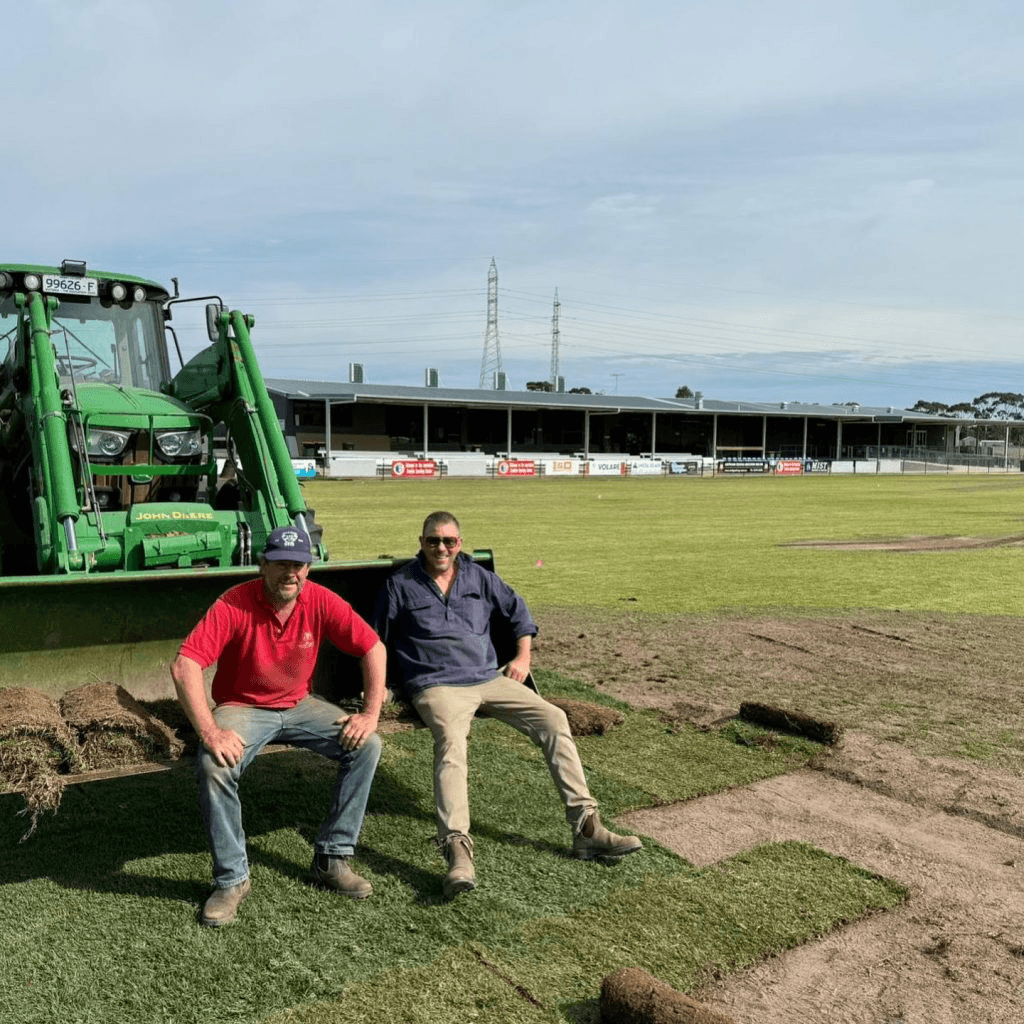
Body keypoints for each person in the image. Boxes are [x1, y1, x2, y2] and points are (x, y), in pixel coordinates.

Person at [373, 510, 641, 899]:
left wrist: (522, 658)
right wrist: (381, 688)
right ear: (421, 543)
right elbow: (374, 640)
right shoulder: (399, 584)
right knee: (450, 741)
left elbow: (520, 613)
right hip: (437, 685)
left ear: (459, 544)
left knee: (552, 718)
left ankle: (587, 827)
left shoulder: (479, 577)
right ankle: (457, 850)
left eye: (449, 541)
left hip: (489, 678)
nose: (441, 548)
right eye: (433, 541)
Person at [171, 525, 386, 927]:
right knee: (215, 763)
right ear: (263, 565)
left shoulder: (319, 599)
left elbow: (373, 646)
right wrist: (211, 731)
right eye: (283, 563)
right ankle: (232, 879)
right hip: (243, 707)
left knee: (367, 744)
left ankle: (332, 858)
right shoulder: (234, 603)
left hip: (300, 704)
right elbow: (185, 665)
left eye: (300, 565)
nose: (292, 573)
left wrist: (370, 713)